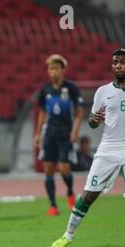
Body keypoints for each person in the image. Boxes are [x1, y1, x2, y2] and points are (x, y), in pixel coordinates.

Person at [51, 48, 125, 247]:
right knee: (88, 195)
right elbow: (92, 121)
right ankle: (68, 235)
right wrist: (94, 119)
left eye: (121, 62)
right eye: (114, 63)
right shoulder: (103, 92)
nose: (117, 65)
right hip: (108, 148)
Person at [34, 54, 85, 216]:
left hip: (65, 134)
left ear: (63, 70)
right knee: (48, 168)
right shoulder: (45, 90)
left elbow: (79, 112)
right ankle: (53, 205)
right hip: (49, 134)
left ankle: (70, 192)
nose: (53, 71)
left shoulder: (71, 88)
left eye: (57, 68)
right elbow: (42, 112)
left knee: (64, 168)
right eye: (51, 68)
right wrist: (37, 133)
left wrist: (75, 131)